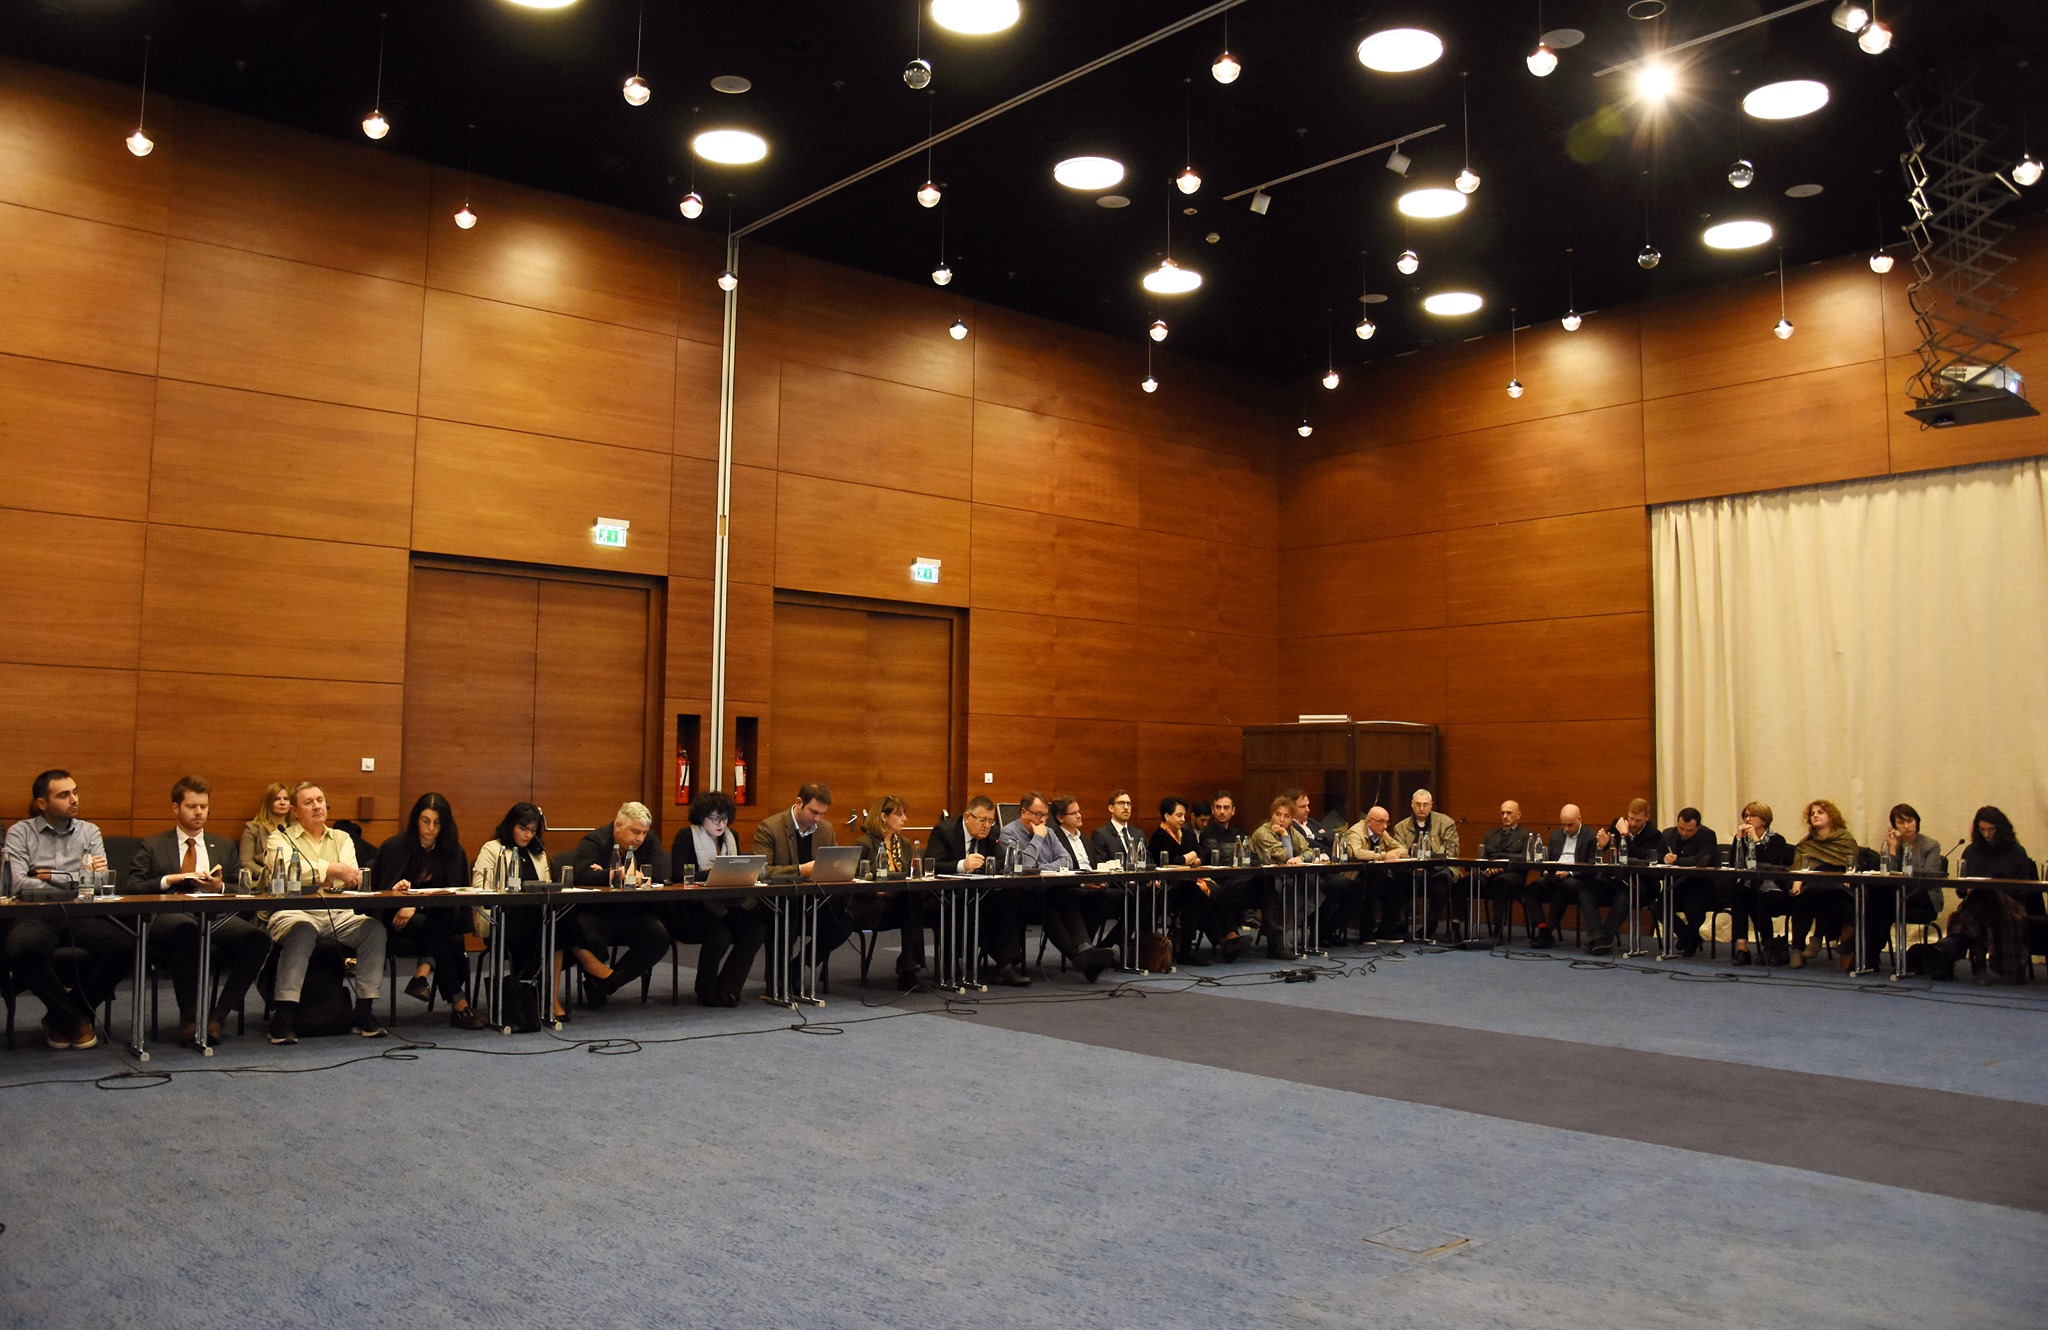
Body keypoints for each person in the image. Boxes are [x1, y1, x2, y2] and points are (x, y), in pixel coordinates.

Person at [125, 776, 269, 1049]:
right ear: (175, 808)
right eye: (192, 806)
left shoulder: (223, 845)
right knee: (187, 930)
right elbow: (132, 887)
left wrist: (219, 887)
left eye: (203, 807)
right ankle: (189, 1018)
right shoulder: (153, 844)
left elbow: (243, 887)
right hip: (167, 916)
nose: (199, 812)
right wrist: (170, 879)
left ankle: (218, 1016)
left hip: (213, 916)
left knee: (258, 939)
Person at [3, 769, 128, 1049]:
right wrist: (78, 878)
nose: (74, 799)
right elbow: (20, 884)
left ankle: (62, 1016)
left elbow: (100, 881)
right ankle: (74, 1020)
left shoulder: (89, 831)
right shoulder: (21, 832)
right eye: (64, 795)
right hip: (34, 913)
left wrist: (48, 875)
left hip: (79, 913)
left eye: (75, 792)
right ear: (42, 803)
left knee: (123, 948)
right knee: (23, 949)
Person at [260, 781, 388, 1043]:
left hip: (337, 914)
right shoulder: (280, 838)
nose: (317, 806)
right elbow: (287, 873)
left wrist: (320, 875)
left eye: (320, 800)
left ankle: (364, 1010)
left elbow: (350, 877)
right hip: (294, 912)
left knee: (374, 930)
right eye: (308, 802)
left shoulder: (342, 838)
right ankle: (283, 1015)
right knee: (302, 931)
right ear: (295, 811)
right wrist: (332, 870)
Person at [374, 792, 486, 1030]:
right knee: (442, 930)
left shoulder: (452, 851)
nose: (430, 829)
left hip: (435, 921)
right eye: (425, 821)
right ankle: (456, 1004)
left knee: (442, 916)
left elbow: (455, 897)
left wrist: (416, 905)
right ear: (416, 819)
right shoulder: (395, 847)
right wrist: (397, 896)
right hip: (398, 922)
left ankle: (424, 977)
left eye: (437, 823)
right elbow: (379, 894)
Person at [670, 790, 768, 1006]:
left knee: (756, 928)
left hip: (724, 906)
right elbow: (677, 875)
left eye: (724, 819)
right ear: (701, 816)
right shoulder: (686, 836)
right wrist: (713, 873)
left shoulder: (732, 837)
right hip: (692, 910)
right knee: (720, 934)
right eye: (715, 818)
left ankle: (728, 988)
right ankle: (705, 991)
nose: (721, 824)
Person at [569, 802, 671, 1008]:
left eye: (644, 833)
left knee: (658, 937)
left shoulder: (649, 840)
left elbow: (662, 873)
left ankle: (604, 983)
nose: (640, 838)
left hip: (632, 912)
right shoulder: (594, 840)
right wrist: (619, 874)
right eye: (635, 832)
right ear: (618, 826)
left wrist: (606, 873)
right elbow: (581, 875)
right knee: (585, 935)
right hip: (597, 912)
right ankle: (599, 979)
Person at [753, 783, 856, 985]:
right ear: (799, 802)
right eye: (814, 812)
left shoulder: (825, 829)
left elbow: (834, 862)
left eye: (822, 814)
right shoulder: (770, 827)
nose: (817, 819)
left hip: (814, 901)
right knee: (787, 920)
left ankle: (798, 967)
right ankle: (777, 980)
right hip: (778, 903)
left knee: (843, 923)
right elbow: (762, 872)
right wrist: (801, 870)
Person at [474, 802, 564, 1021]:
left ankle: (546, 998)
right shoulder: (492, 849)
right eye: (523, 829)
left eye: (532, 831)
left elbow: (546, 887)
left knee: (563, 925)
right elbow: (480, 888)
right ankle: (530, 995)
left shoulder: (538, 853)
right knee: (545, 929)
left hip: (535, 917)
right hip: (501, 919)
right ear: (511, 825)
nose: (528, 835)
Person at [924, 796, 1027, 985]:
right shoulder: (944, 831)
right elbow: (932, 864)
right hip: (944, 896)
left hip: (978, 894)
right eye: (982, 820)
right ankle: (949, 965)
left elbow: (1000, 861)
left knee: (1006, 900)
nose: (986, 826)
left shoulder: (993, 833)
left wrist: (986, 866)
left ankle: (1005, 966)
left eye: (990, 821)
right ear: (967, 817)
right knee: (952, 909)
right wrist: (962, 865)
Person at [857, 795, 932, 990]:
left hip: (899, 906)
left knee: (911, 898)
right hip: (872, 905)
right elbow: (854, 882)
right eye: (899, 815)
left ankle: (909, 966)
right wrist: (878, 892)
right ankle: (909, 969)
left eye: (904, 814)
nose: (904, 819)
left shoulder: (904, 843)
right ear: (883, 817)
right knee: (910, 901)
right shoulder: (864, 843)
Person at [1042, 795, 1119, 981]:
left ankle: (1095, 948)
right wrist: (1084, 883)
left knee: (1127, 900)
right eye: (1074, 813)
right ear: (1061, 818)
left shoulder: (1085, 838)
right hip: (1068, 889)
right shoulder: (1054, 838)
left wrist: (1101, 878)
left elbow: (1094, 866)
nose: (1079, 815)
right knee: (1091, 899)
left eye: (1079, 811)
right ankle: (1086, 951)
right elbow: (1058, 872)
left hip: (1093, 887)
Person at [1149, 796, 1230, 965]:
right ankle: (1217, 941)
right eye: (1178, 815)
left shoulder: (1187, 834)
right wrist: (1190, 856)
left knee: (1213, 893)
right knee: (1193, 893)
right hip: (1167, 887)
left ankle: (1222, 940)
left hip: (1189, 883)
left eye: (1183, 815)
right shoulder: (1158, 837)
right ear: (1166, 816)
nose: (1182, 819)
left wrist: (1190, 860)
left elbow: (1201, 855)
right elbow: (1170, 862)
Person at [1788, 799, 1859, 969]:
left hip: (1839, 887)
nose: (1815, 816)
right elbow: (1799, 868)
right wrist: (1796, 886)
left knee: (1827, 894)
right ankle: (1797, 949)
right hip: (1813, 885)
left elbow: (1851, 865)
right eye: (1812, 814)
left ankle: (1817, 938)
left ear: (1831, 816)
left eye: (1820, 812)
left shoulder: (1845, 839)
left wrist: (1848, 880)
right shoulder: (1807, 844)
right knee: (1803, 899)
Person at [1727, 801, 1794, 966]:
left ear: (1764, 820)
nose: (1747, 819)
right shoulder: (1742, 838)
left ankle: (1768, 945)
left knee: (1757, 899)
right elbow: (1734, 863)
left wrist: (1756, 841)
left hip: (1772, 887)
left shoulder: (1777, 840)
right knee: (1738, 895)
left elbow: (1768, 862)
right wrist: (1738, 840)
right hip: (1749, 885)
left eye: (1752, 815)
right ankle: (1742, 948)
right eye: (1745, 815)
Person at [1392, 789, 1461, 944]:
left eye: (1425, 804)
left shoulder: (1446, 823)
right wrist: (1413, 865)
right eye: (1418, 804)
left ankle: (1430, 924)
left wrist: (1429, 865)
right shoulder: (1400, 827)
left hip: (1438, 870)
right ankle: (1396, 924)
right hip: (1411, 871)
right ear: (1412, 805)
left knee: (1442, 881)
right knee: (1394, 880)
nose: (1421, 808)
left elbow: (1451, 852)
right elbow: (1399, 851)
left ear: (1431, 805)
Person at [1589, 798, 1656, 955]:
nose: (1633, 823)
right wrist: (1600, 845)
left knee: (1625, 894)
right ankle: (1597, 935)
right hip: (1616, 880)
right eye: (1631, 818)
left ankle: (1603, 941)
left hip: (1641, 886)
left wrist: (1625, 835)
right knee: (1587, 890)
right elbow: (1595, 850)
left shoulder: (1653, 834)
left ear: (1647, 817)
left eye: (1638, 820)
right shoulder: (1617, 824)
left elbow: (1639, 860)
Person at [1249, 796, 1311, 959]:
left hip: (1285, 878)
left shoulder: (1292, 831)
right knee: (1292, 892)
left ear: (1292, 819)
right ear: (1271, 815)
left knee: (1311, 891)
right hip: (1262, 881)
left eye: (1286, 816)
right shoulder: (1263, 832)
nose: (1281, 820)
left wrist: (1301, 858)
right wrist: (1284, 835)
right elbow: (1285, 856)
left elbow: (1309, 850)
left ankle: (1283, 934)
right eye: (1278, 814)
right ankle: (1279, 938)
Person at [1478, 801, 1543, 945]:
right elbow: (1483, 856)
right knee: (1467, 882)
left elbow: (1525, 859)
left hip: (1513, 875)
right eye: (1502, 813)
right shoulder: (1491, 834)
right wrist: (1486, 868)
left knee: (1500, 882)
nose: (1505, 816)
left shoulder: (1527, 835)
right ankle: (1455, 928)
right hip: (1489, 872)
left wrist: (1501, 868)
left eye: (1509, 813)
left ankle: (1498, 930)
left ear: (1518, 815)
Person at [1536, 804, 1599, 951]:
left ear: (1579, 819)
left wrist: (1569, 873)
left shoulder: (1591, 836)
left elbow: (1592, 866)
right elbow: (1548, 859)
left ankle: (1548, 930)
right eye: (1563, 824)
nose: (1566, 829)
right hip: (1555, 875)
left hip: (1577, 879)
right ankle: (1543, 928)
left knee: (1564, 886)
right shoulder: (1556, 835)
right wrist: (1546, 870)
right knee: (1531, 890)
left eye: (1570, 825)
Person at [1344, 806, 1411, 944]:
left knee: (1398, 884)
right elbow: (1357, 853)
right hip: (1356, 875)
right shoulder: (1355, 832)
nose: (1385, 826)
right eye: (1381, 821)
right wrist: (1384, 855)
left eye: (1387, 822)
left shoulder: (1381, 833)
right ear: (1369, 821)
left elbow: (1402, 848)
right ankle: (1366, 933)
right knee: (1371, 886)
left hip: (1377, 875)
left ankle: (1385, 931)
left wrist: (1395, 853)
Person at [1658, 807, 1719, 958]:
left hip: (1700, 885)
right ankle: (1690, 937)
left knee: (1694, 911)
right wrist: (1664, 859)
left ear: (1698, 826)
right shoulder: (1667, 834)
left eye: (1689, 830)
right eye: (1681, 828)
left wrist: (1676, 861)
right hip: (1675, 885)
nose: (1684, 833)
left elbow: (1702, 860)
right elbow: (1656, 855)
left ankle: (1689, 941)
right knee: (1659, 908)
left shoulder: (1708, 835)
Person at [240, 781, 292, 877]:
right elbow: (246, 861)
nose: (282, 803)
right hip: (264, 880)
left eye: (286, 799)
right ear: (268, 803)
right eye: (277, 799)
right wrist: (268, 875)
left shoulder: (295, 828)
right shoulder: (253, 828)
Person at [1088, 790, 1148, 868]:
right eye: (1121, 803)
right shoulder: (1101, 835)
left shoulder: (1139, 834)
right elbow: (1101, 865)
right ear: (1111, 808)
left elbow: (1147, 861)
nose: (1126, 807)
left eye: (1128, 804)